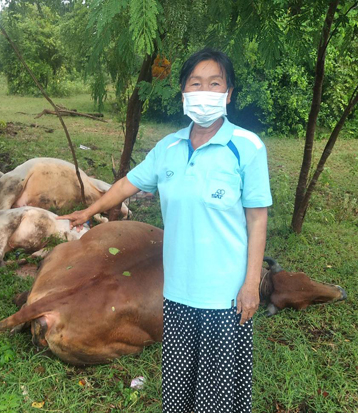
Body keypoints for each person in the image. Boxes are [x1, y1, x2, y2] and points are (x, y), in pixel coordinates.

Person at [58, 48, 272, 412]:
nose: (204, 91)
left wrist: (251, 285)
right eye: (196, 83)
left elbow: (257, 218)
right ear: (184, 92)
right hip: (176, 292)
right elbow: (128, 184)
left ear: (229, 93)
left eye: (214, 83)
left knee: (218, 396)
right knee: (178, 389)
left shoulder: (247, 148)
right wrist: (89, 210)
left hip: (224, 297)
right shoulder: (168, 147)